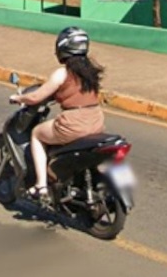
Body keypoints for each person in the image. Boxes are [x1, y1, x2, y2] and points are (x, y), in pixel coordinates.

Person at [9, 27, 105, 205]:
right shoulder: (91, 72)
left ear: (62, 48)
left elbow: (36, 97)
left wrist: (18, 98)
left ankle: (41, 185)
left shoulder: (63, 73)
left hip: (73, 123)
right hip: (96, 121)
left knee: (37, 134)